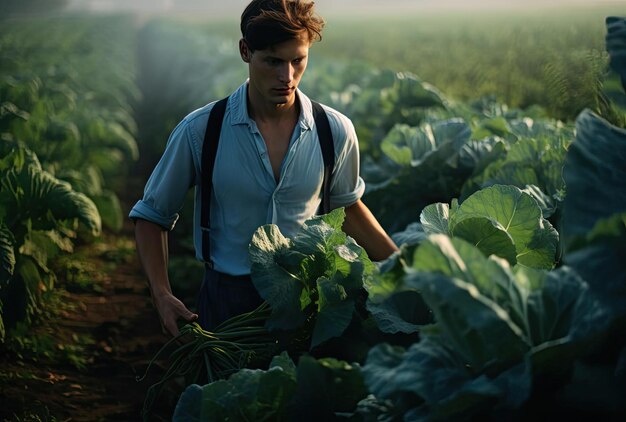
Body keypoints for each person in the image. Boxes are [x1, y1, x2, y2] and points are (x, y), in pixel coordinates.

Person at [129, 0, 398, 338]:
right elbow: (152, 216)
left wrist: (402, 268)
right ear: (245, 51)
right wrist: (162, 294)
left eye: (297, 60)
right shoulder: (201, 131)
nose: (286, 76)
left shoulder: (335, 131)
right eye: (273, 61)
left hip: (311, 303)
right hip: (228, 303)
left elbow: (347, 206)